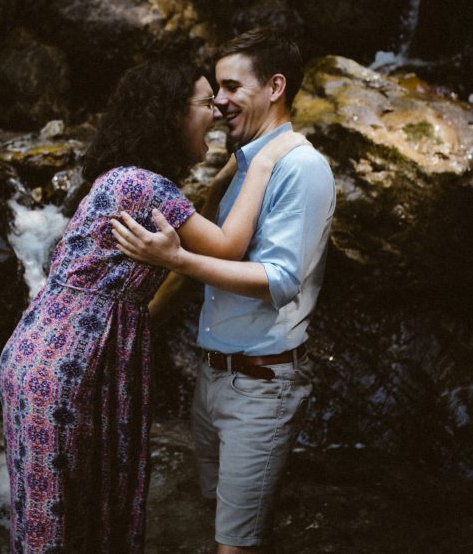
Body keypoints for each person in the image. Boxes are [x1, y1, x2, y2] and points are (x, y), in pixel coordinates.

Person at [0, 59, 306, 554]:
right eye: (207, 103)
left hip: (45, 357)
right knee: (59, 527)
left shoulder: (126, 179)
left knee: (59, 517)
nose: (218, 111)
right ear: (169, 114)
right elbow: (224, 246)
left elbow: (196, 232)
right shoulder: (144, 186)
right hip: (70, 364)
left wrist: (234, 166)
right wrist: (266, 160)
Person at [111, 28, 336, 553]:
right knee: (218, 519)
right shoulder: (245, 165)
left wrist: (175, 259)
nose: (219, 100)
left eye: (232, 86)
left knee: (235, 545)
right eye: (215, 88)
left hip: (260, 386)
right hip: (212, 379)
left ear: (276, 87)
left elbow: (278, 280)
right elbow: (221, 247)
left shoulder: (300, 168)